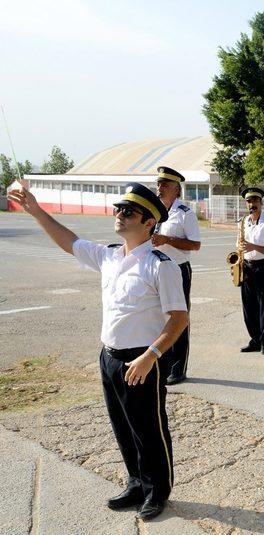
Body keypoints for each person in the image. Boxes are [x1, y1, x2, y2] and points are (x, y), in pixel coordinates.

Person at [8, 182, 188, 520]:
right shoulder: (109, 256)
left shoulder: (160, 265)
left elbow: (179, 318)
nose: (119, 214)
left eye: (128, 211)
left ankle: (156, 491)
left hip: (141, 359)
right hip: (110, 356)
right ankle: (136, 482)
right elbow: (68, 241)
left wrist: (151, 356)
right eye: (118, 208)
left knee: (149, 429)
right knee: (122, 426)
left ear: (149, 222)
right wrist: (35, 210)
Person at [152, 166, 201, 385]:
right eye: (158, 184)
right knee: (159, 316)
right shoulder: (154, 211)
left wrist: (167, 240)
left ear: (176, 189)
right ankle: (163, 360)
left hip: (179, 269)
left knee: (179, 318)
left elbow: (195, 244)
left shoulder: (185, 213)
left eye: (164, 185)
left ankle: (178, 368)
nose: (159, 188)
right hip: (157, 268)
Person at [236, 187, 264, 355]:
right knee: (248, 306)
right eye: (249, 201)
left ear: (261, 202)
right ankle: (254, 339)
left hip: (263, 267)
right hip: (246, 266)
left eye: (255, 201)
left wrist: (253, 246)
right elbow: (238, 246)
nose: (251, 204)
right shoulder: (242, 222)